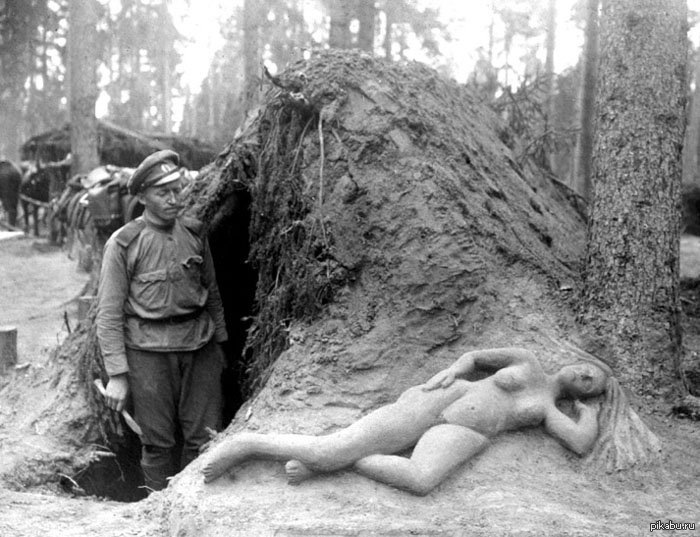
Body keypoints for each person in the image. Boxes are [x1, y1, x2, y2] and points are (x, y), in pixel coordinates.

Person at [201, 347, 609, 495]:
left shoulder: (551, 411)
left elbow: (579, 442)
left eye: (593, 385)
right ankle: (248, 444)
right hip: (445, 398)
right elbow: (477, 357)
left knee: (420, 480)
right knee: (334, 447)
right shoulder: (527, 359)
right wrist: (452, 370)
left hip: (467, 432)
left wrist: (588, 416)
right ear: (574, 359)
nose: (587, 376)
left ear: (583, 393)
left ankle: (335, 466)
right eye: (588, 369)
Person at [96, 150, 228, 492]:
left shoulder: (196, 233)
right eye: (162, 192)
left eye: (176, 189)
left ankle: (194, 509)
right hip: (148, 355)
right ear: (142, 197)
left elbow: (211, 293)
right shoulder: (124, 243)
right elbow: (108, 314)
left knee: (205, 440)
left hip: (200, 348)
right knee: (157, 443)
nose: (174, 198)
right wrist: (118, 375)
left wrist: (220, 347)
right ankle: (158, 509)